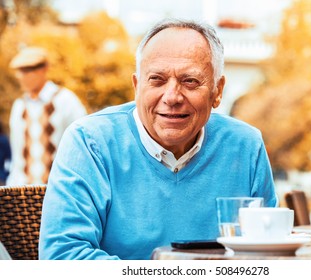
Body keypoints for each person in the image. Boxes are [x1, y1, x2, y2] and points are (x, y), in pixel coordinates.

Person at [39, 18, 278, 260]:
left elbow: (271, 253)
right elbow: (62, 257)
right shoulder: (89, 143)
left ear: (217, 91)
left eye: (190, 81)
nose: (172, 96)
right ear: (137, 86)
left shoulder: (246, 146)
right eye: (157, 80)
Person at [7, 46, 87, 185]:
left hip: (61, 189)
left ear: (43, 69)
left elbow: (83, 145)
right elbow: (17, 157)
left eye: (27, 70)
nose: (21, 76)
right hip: (23, 193)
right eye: (19, 71)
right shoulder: (19, 106)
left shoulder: (66, 100)